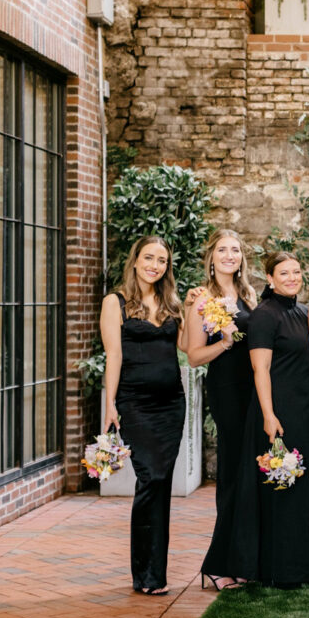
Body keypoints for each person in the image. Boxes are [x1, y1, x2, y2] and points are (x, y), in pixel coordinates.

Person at [101, 235, 202, 595]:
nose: (154, 265)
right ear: (136, 260)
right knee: (151, 480)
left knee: (159, 484)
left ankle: (152, 575)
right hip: (135, 403)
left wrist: (190, 309)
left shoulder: (170, 303)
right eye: (149, 258)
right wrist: (110, 403)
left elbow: (189, 348)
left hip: (171, 404)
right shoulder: (115, 302)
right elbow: (113, 355)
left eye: (161, 260)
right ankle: (145, 574)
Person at [227, 251, 309, 586]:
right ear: (269, 278)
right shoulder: (265, 316)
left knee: (300, 486)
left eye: (297, 271)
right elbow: (261, 369)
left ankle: (302, 563)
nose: (292, 277)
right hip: (277, 412)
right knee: (280, 485)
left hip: (303, 410)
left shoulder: (304, 312)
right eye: (284, 273)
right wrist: (269, 414)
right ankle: (278, 567)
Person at [187, 230, 257, 591]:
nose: (230, 255)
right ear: (211, 257)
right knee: (231, 470)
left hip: (253, 389)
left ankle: (242, 557)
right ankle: (217, 564)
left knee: (248, 472)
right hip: (227, 388)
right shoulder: (200, 298)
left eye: (235, 250)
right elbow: (193, 353)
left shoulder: (249, 296)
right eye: (222, 250)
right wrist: (225, 344)